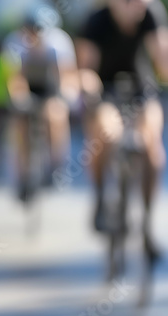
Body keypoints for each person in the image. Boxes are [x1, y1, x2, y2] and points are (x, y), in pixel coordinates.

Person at [77, 0, 168, 281]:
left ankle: (148, 223)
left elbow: (162, 60)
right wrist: (89, 87)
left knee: (152, 143)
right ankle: (101, 196)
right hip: (106, 91)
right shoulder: (97, 20)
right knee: (106, 132)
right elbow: (85, 70)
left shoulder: (152, 14)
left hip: (143, 90)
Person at [3, 6, 78, 202]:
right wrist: (20, 97)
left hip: (51, 87)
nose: (34, 35)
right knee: (19, 121)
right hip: (28, 87)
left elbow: (67, 75)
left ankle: (56, 165)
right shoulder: (14, 43)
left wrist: (65, 97)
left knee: (56, 114)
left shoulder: (59, 43)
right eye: (30, 30)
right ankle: (22, 174)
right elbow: (15, 78)